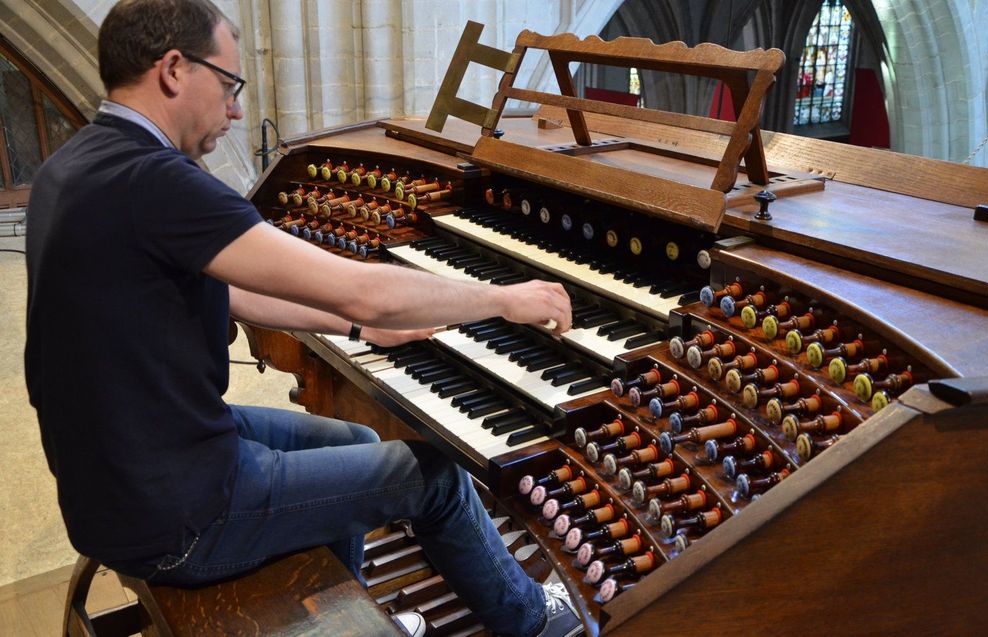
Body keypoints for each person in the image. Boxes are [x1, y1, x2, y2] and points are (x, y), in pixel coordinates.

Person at [24, 1, 582, 635]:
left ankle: (354, 610)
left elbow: (235, 291)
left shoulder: (75, 165)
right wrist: (503, 298)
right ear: (174, 69)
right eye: (230, 85)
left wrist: (358, 332)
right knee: (434, 474)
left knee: (354, 440)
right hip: (173, 513)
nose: (236, 109)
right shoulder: (154, 181)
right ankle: (535, 621)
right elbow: (366, 290)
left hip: (121, 469)